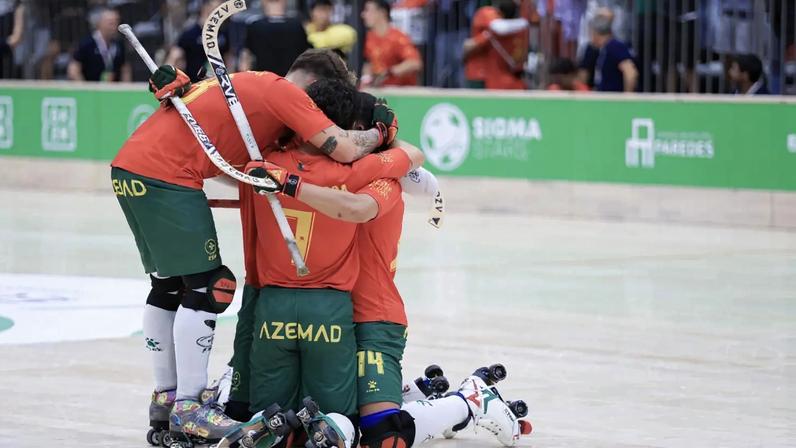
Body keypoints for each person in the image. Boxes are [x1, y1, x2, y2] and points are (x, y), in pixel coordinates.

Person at [113, 50, 395, 444]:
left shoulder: (243, 91)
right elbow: (345, 149)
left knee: (167, 286)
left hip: (131, 168)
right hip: (169, 174)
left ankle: (168, 399)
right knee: (208, 287)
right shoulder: (285, 94)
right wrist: (381, 134)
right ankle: (190, 409)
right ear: (311, 91)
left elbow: (234, 168)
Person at [463, 0, 529, 90]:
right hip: (479, 74)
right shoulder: (486, 13)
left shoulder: (515, 27)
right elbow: (498, 27)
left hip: (500, 75)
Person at [165, 0, 231, 82]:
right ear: (206, 8)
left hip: (216, 84)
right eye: (216, 9)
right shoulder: (190, 34)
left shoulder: (222, 34)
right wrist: (166, 77)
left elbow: (228, 59)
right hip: (194, 85)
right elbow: (174, 57)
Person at [361, 0, 422, 87]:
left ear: (382, 13)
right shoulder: (369, 38)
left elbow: (415, 63)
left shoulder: (398, 38)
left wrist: (389, 72)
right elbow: (369, 63)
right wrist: (366, 80)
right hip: (380, 92)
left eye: (367, 10)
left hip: (400, 92)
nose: (363, 15)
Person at [239, 0, 311, 75]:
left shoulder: (255, 26)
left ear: (264, 2)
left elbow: (245, 60)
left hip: (263, 81)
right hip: (290, 81)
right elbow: (307, 57)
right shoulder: (297, 25)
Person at [67, 8, 131, 82]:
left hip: (113, 90)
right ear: (99, 23)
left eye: (117, 22)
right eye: (111, 23)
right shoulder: (86, 43)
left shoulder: (119, 44)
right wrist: (84, 89)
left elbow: (125, 69)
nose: (115, 27)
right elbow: (73, 70)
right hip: (90, 87)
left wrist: (125, 87)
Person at [585, 11, 637, 93]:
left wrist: (628, 98)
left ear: (595, 33)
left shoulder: (615, 46)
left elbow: (630, 72)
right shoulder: (604, 49)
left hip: (615, 100)